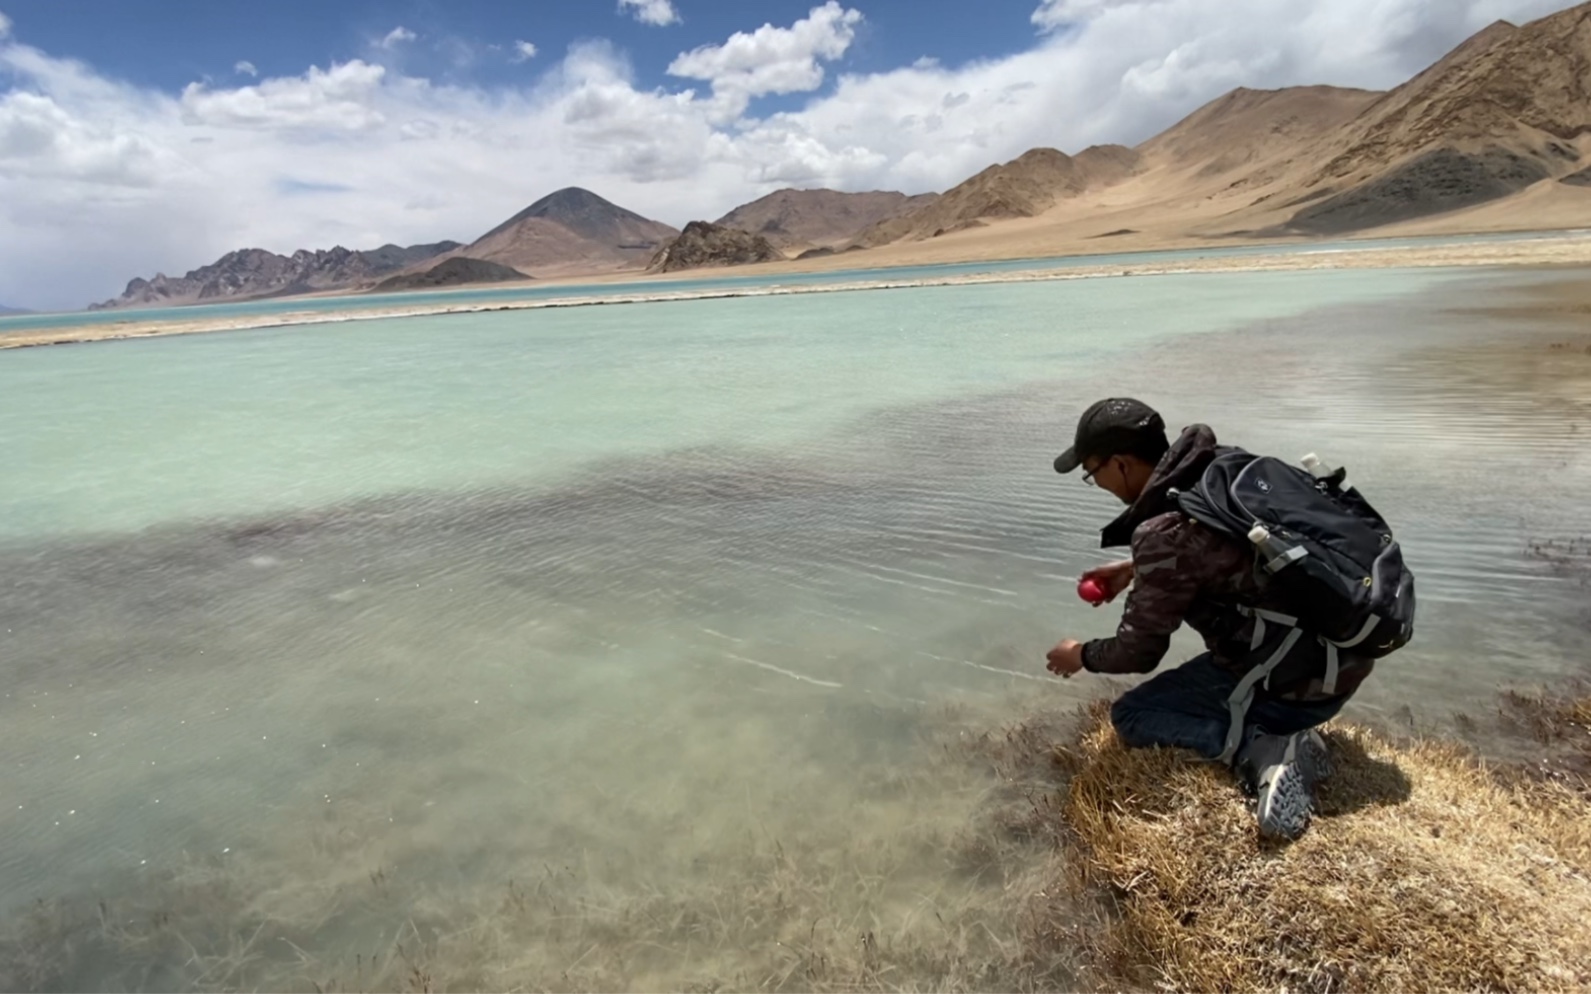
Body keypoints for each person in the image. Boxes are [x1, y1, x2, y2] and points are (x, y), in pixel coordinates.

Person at [1043, 398, 1373, 839]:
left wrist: (1080, 655)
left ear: (1120, 464)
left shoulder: (1161, 536)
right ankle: (1284, 726)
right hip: (1344, 654)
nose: (1095, 481)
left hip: (1299, 683)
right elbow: (1226, 550)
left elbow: (1139, 653)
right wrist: (1135, 569)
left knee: (1133, 715)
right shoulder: (1222, 468)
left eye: (1091, 471)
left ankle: (1265, 747)